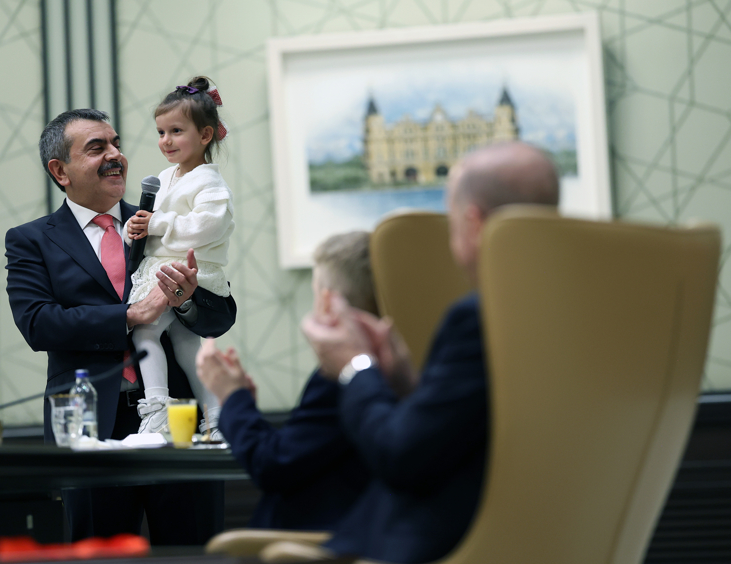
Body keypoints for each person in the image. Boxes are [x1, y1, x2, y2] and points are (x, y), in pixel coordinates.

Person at [300, 142, 560, 563]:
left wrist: (354, 366)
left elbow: (400, 457)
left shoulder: (477, 319)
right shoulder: (564, 316)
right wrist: (406, 382)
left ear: (472, 223)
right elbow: (469, 433)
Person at [5, 108, 236, 544]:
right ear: (60, 171)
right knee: (100, 551)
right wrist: (131, 315)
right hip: (89, 424)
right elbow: (37, 323)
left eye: (116, 144)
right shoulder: (31, 239)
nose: (115, 155)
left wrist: (186, 301)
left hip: (181, 417)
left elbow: (222, 315)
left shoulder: (160, 220)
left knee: (193, 549)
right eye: (97, 148)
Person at [195, 232, 375, 530]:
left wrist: (232, 399)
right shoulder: (391, 365)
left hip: (304, 543)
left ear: (327, 302)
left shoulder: (342, 377)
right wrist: (244, 406)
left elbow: (271, 466)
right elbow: (298, 452)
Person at [123, 76, 234, 435]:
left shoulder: (210, 182)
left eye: (176, 131)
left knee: (145, 331)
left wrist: (157, 223)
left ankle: (157, 408)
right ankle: (216, 416)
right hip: (165, 266)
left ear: (205, 135)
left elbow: (207, 226)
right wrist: (134, 229)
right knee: (186, 344)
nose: (166, 141)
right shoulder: (166, 176)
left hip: (188, 270)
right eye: (160, 132)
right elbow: (154, 227)